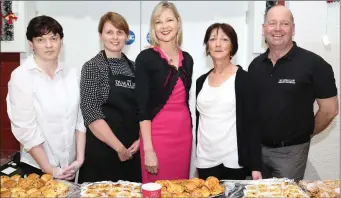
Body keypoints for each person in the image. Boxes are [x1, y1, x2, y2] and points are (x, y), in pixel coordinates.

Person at [248, 5, 339, 181]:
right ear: (263, 29)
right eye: (272, 23)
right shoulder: (255, 66)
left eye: (285, 24)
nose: (277, 29)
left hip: (291, 154)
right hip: (256, 151)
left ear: (293, 29)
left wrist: (305, 133)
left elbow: (330, 110)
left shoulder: (315, 65)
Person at [6, 15, 86, 181]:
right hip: (37, 169)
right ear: (31, 44)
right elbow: (25, 128)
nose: (49, 45)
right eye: (41, 40)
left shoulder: (72, 74)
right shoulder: (21, 76)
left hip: (69, 167)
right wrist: (48, 168)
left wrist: (79, 159)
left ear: (61, 41)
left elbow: (80, 120)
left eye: (53, 38)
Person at [78, 12, 141, 183]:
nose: (115, 37)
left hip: (132, 152)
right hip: (103, 152)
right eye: (109, 32)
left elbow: (143, 110)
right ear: (101, 35)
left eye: (120, 32)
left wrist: (140, 140)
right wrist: (119, 148)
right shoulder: (92, 67)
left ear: (126, 36)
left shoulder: (136, 68)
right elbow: (91, 113)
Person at [135, 1, 193, 183]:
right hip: (156, 136)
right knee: (155, 190)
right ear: (153, 27)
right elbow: (142, 107)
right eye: (158, 21)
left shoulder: (188, 59)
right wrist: (148, 149)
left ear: (178, 22)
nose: (165, 26)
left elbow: (185, 100)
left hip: (183, 135)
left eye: (169, 20)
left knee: (181, 189)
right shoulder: (145, 58)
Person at [195, 23, 262, 181]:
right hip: (205, 160)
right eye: (212, 39)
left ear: (232, 46)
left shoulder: (244, 80)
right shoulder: (200, 82)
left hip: (233, 161)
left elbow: (253, 125)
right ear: (207, 45)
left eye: (224, 39)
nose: (218, 44)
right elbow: (200, 122)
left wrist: (256, 167)